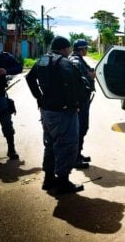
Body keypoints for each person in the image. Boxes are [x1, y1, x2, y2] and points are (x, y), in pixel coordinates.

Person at [26, 36, 86, 195]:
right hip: (63, 112)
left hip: (47, 111)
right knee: (67, 145)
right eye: (67, 49)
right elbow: (75, 85)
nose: (68, 52)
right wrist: (74, 104)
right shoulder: (64, 62)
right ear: (64, 48)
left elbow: (29, 78)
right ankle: (63, 182)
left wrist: (39, 97)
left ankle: (48, 179)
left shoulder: (42, 60)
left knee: (50, 144)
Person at [69, 39, 96, 169]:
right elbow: (77, 81)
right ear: (81, 49)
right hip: (79, 102)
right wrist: (90, 77)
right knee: (80, 128)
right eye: (86, 48)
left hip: (81, 101)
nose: (87, 50)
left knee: (82, 128)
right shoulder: (75, 61)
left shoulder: (78, 59)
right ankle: (74, 157)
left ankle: (77, 154)